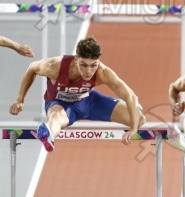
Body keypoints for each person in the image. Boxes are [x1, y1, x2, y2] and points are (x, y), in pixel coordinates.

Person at [9, 37, 145, 151]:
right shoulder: (54, 67)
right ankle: (48, 134)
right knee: (56, 117)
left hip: (89, 102)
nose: (89, 71)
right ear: (75, 59)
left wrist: (133, 128)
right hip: (59, 103)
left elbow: (130, 95)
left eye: (93, 65)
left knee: (139, 119)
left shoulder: (102, 72)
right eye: (83, 65)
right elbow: (32, 68)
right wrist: (20, 99)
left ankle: (128, 108)